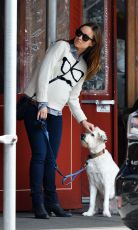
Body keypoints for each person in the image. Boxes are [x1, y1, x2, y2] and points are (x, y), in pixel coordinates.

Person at [23, 22, 102, 219]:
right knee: (40, 155)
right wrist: (42, 103)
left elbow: (73, 97)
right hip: (36, 107)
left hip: (56, 113)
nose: (79, 38)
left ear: (93, 43)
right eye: (78, 33)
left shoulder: (84, 66)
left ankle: (53, 202)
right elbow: (44, 72)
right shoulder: (61, 47)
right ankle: (38, 203)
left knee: (51, 159)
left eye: (85, 37)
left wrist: (83, 121)